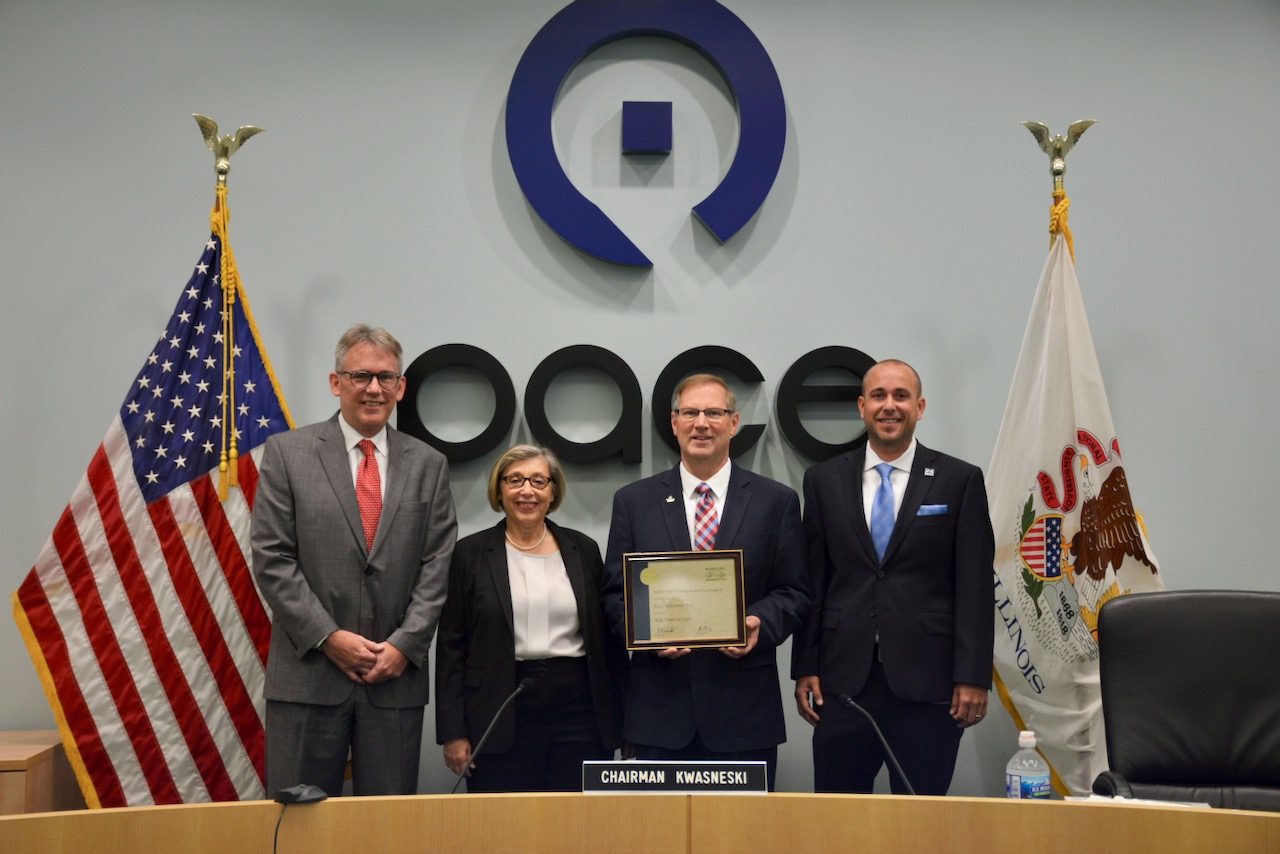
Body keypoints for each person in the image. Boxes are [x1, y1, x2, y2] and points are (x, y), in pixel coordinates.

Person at [252, 324, 457, 796]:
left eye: (386, 378)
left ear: (401, 387)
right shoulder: (289, 454)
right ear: (335, 382)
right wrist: (328, 637)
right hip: (307, 678)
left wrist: (405, 645)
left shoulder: (429, 464)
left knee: (386, 833)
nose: (373, 389)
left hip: (394, 679)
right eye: (360, 375)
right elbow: (272, 557)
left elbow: (437, 563)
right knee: (298, 827)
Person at [791, 359, 994, 795]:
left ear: (920, 406)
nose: (890, 406)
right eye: (879, 396)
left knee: (921, 827)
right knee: (838, 822)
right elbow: (815, 579)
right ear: (861, 406)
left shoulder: (959, 480)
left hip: (930, 684)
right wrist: (804, 665)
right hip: (842, 683)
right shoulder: (823, 480)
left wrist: (974, 675)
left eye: (901, 396)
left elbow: (975, 587)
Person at [602, 374, 810, 790]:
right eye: (691, 413)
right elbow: (613, 596)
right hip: (659, 713)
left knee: (742, 839)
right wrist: (646, 633)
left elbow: (795, 592)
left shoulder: (776, 501)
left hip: (743, 714)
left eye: (714, 413)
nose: (702, 423)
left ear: (734, 423)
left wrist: (758, 624)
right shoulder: (634, 501)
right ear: (674, 422)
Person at [435, 445, 627, 792]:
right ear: (499, 489)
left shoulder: (582, 549)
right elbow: (451, 648)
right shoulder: (470, 554)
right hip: (500, 706)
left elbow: (608, 643)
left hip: (579, 709)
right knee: (505, 829)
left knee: (577, 827)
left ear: (553, 491)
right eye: (515, 480)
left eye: (539, 481)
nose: (527, 491)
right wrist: (453, 732)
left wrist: (623, 720)